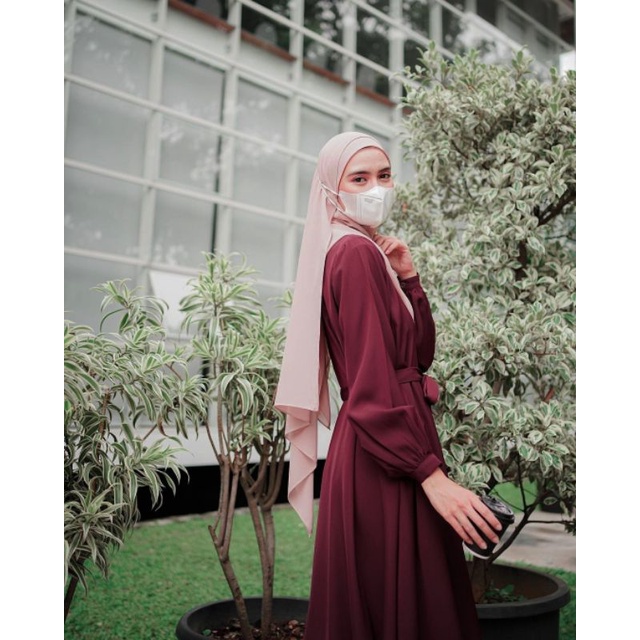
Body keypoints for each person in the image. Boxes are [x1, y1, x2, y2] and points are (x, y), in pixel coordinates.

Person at [274, 131, 502, 639]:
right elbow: (372, 387)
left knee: (403, 596)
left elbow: (416, 358)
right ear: (332, 188)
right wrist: (430, 474)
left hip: (392, 442)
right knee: (404, 597)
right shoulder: (353, 253)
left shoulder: (366, 251)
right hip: (387, 450)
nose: (375, 188)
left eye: (384, 175)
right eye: (359, 178)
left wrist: (410, 279)